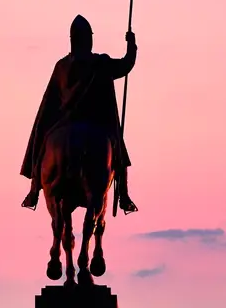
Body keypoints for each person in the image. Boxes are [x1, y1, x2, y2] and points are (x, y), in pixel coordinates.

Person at [19, 14, 138, 213]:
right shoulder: (101, 63)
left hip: (65, 122)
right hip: (96, 122)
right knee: (117, 151)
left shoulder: (62, 66)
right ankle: (124, 195)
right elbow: (126, 65)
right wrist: (131, 45)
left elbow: (50, 102)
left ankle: (33, 192)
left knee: (43, 143)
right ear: (88, 39)